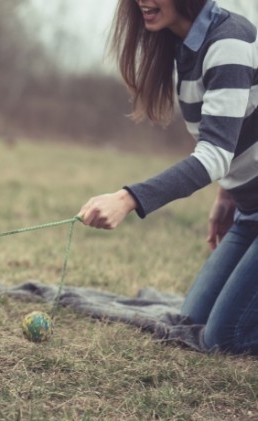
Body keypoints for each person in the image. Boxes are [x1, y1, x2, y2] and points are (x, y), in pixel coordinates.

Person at [78, 0, 258, 355]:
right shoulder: (182, 44)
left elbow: (213, 155)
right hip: (249, 212)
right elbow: (234, 132)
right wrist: (229, 194)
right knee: (191, 319)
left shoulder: (228, 41)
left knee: (225, 337)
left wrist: (127, 198)